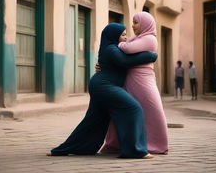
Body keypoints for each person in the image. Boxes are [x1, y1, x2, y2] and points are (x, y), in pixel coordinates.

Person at [47, 23, 157, 159]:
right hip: (104, 87)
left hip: (101, 86)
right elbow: (125, 62)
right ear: (113, 35)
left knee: (93, 120)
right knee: (133, 108)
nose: (125, 37)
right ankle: (135, 150)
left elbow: (125, 58)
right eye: (122, 35)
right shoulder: (111, 49)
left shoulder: (113, 48)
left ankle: (66, 149)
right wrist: (151, 56)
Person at [101, 12, 168, 155]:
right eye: (133, 22)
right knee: (123, 110)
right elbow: (120, 54)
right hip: (128, 78)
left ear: (145, 24)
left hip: (143, 80)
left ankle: (156, 144)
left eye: (136, 22)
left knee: (153, 109)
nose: (133, 25)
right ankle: (116, 143)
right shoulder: (136, 38)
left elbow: (127, 49)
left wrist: (116, 43)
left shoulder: (150, 39)